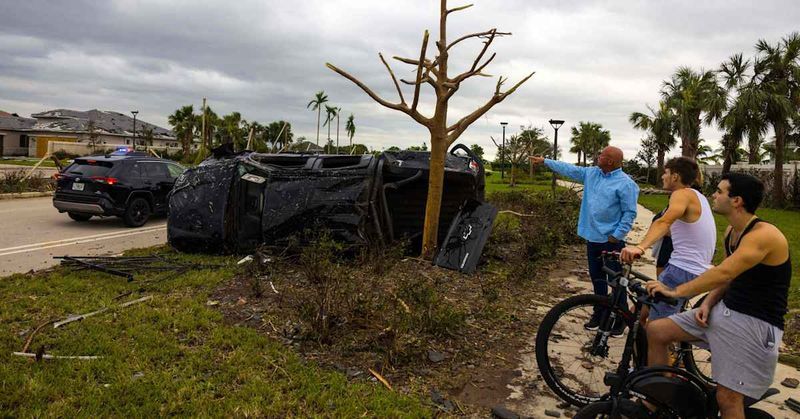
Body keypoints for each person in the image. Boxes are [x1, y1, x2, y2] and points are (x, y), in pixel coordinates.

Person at [645, 173, 791, 419]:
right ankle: (661, 402)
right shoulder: (732, 232)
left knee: (728, 398)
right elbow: (730, 277)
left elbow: (724, 272)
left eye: (720, 191)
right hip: (726, 312)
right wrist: (710, 302)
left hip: (755, 324)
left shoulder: (764, 235)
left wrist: (675, 291)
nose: (714, 194)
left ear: (737, 201)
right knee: (656, 330)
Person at [530, 146, 639, 334]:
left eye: (602, 155)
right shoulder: (592, 174)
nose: (598, 156)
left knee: (616, 282)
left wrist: (617, 235)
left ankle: (621, 320)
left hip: (611, 241)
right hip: (592, 239)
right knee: (597, 280)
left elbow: (629, 213)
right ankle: (599, 314)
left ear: (611, 161)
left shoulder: (626, 184)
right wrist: (545, 162)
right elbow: (570, 169)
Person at [621, 157, 716, 323]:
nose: (662, 177)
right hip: (695, 269)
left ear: (675, 177)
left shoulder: (681, 194)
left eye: (665, 173)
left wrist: (640, 248)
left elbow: (664, 221)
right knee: (639, 314)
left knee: (657, 331)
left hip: (682, 269)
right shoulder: (698, 197)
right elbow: (678, 232)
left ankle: (664, 347)